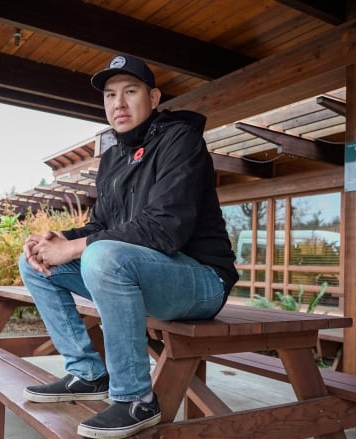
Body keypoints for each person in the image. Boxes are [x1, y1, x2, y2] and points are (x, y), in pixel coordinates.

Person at [18, 54, 238, 439]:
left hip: (202, 279)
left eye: (130, 91)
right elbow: (102, 226)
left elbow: (165, 230)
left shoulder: (180, 140)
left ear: (153, 98)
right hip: (142, 272)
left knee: (101, 254)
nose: (118, 103)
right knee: (34, 260)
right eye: (110, 95)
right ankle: (87, 373)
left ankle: (136, 399)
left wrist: (78, 248)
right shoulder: (114, 157)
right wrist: (60, 240)